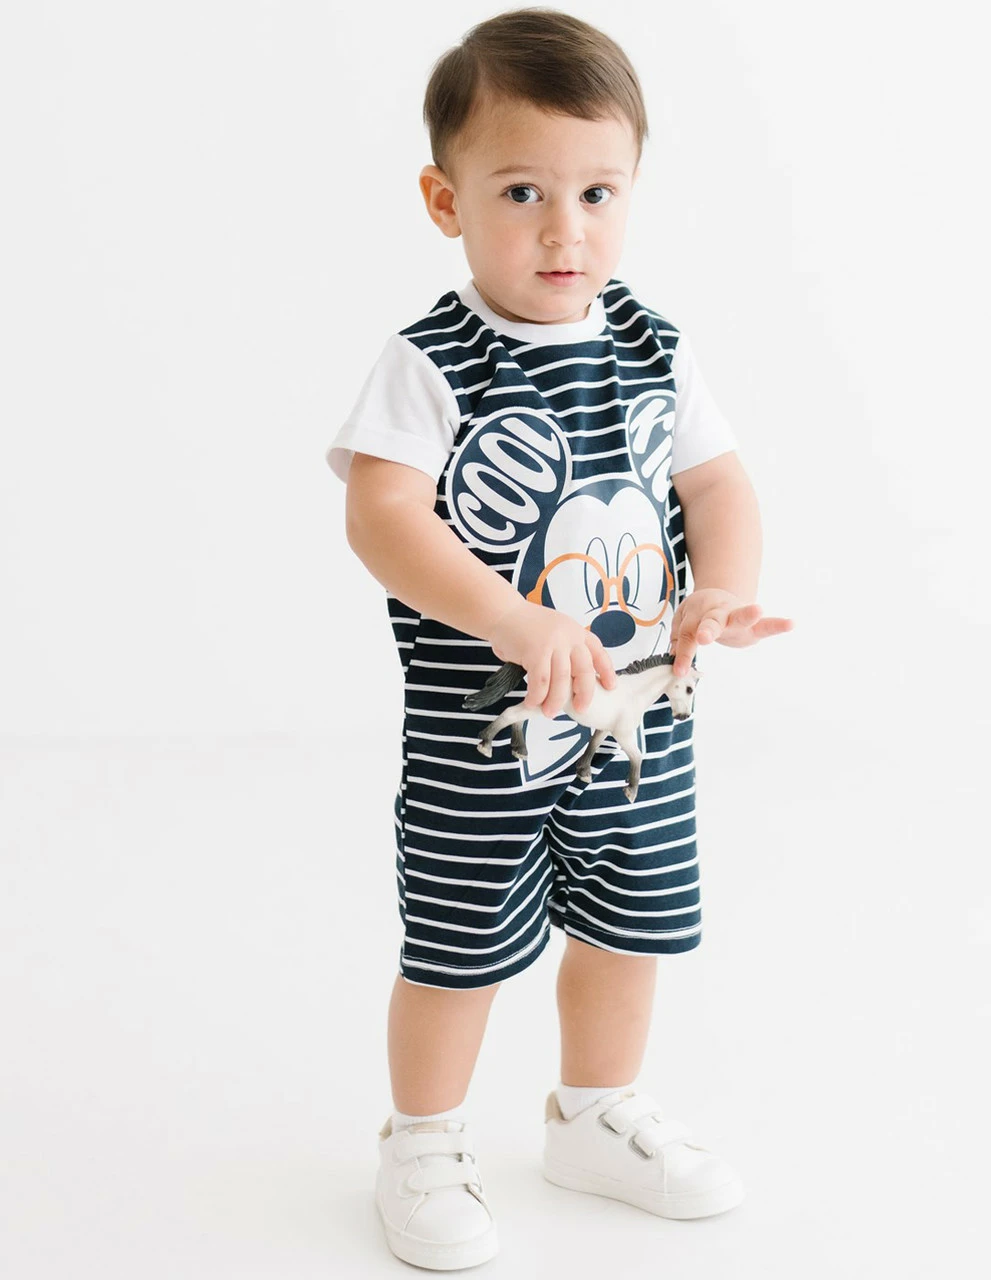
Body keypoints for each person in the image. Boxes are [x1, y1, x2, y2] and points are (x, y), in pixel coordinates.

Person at [325, 7, 793, 1270]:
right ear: (446, 200)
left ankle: (592, 1113)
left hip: (636, 724)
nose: (562, 230)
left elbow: (717, 484)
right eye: (521, 191)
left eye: (596, 192)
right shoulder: (432, 361)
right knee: (459, 947)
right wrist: (515, 619)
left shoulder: (652, 345)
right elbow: (382, 517)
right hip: (480, 743)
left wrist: (719, 590)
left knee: (629, 928)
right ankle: (422, 1138)